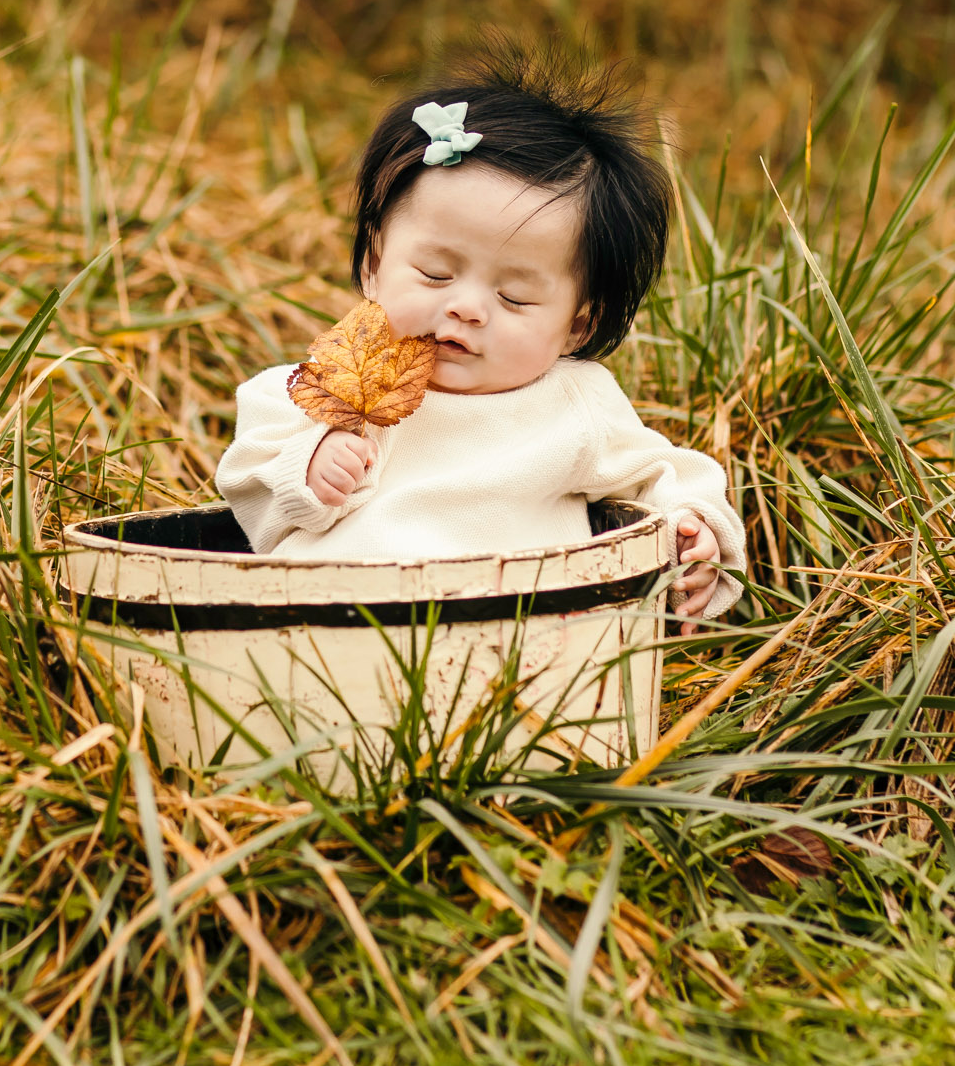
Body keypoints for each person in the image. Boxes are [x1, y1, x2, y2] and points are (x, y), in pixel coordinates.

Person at [215, 42, 747, 631]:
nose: (466, 307)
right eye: (435, 274)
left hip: (522, 652)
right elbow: (246, 484)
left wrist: (689, 528)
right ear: (373, 263)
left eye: (515, 297)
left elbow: (663, 473)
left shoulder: (576, 406)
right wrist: (306, 468)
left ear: (577, 326)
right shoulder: (315, 390)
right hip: (329, 639)